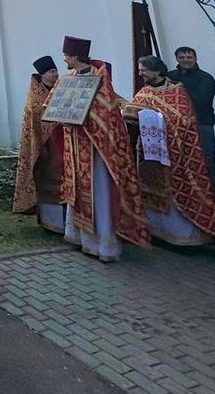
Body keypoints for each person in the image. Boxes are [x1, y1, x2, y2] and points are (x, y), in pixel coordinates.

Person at [51, 36, 150, 262]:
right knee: (78, 192)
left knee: (100, 194)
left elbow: (107, 115)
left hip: (97, 151)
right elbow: (54, 106)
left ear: (75, 56)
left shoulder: (100, 81)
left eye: (66, 55)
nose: (64, 59)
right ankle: (82, 238)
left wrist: (84, 118)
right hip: (75, 148)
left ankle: (104, 244)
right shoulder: (68, 79)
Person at [125, 56, 215, 246]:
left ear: (156, 71)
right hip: (150, 156)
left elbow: (184, 119)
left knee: (176, 189)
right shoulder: (144, 92)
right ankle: (158, 231)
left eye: (143, 70)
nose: (140, 73)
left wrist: (158, 120)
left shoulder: (177, 91)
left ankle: (184, 236)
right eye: (139, 70)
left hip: (177, 153)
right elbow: (131, 113)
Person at [11, 56, 65, 234]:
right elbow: (37, 117)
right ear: (42, 75)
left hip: (62, 144)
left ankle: (64, 221)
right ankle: (51, 222)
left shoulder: (60, 89)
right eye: (51, 72)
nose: (55, 74)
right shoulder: (35, 96)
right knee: (46, 182)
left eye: (56, 71)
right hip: (44, 146)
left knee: (62, 182)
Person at [168, 46, 215, 201]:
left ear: (195, 58)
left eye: (189, 57)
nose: (186, 60)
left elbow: (202, 101)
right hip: (177, 126)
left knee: (208, 162)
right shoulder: (170, 77)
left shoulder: (206, 78)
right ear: (177, 59)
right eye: (182, 57)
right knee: (182, 162)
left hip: (202, 125)